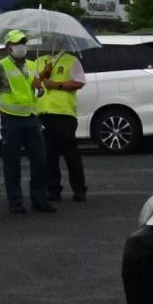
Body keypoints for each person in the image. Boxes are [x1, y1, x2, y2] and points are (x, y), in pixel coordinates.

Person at [0, 30, 56, 215]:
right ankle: (15, 202)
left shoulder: (32, 65)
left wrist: (39, 88)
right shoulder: (0, 67)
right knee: (12, 163)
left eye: (23, 42)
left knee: (40, 161)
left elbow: (37, 93)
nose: (21, 46)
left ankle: (39, 200)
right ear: (8, 47)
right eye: (17, 43)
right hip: (11, 120)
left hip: (31, 118)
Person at [38, 44, 88, 204]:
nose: (48, 41)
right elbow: (33, 84)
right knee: (48, 155)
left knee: (70, 154)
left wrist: (58, 85)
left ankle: (79, 189)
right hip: (44, 113)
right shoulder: (39, 60)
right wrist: (42, 74)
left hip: (64, 113)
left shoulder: (71, 60)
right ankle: (53, 190)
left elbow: (80, 82)